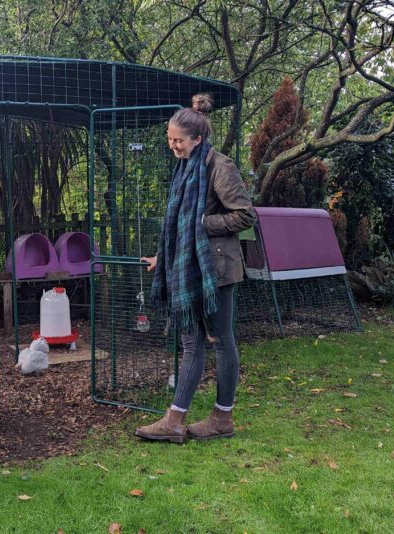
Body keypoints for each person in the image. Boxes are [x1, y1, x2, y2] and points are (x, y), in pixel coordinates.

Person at [135, 93, 256, 443]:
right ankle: (174, 421)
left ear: (198, 139)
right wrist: (165, 258)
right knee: (191, 343)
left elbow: (245, 215)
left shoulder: (220, 167)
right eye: (170, 139)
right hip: (188, 271)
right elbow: (177, 227)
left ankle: (222, 418)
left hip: (215, 271)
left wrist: (203, 223)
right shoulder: (185, 166)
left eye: (178, 141)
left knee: (221, 341)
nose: (173, 146)